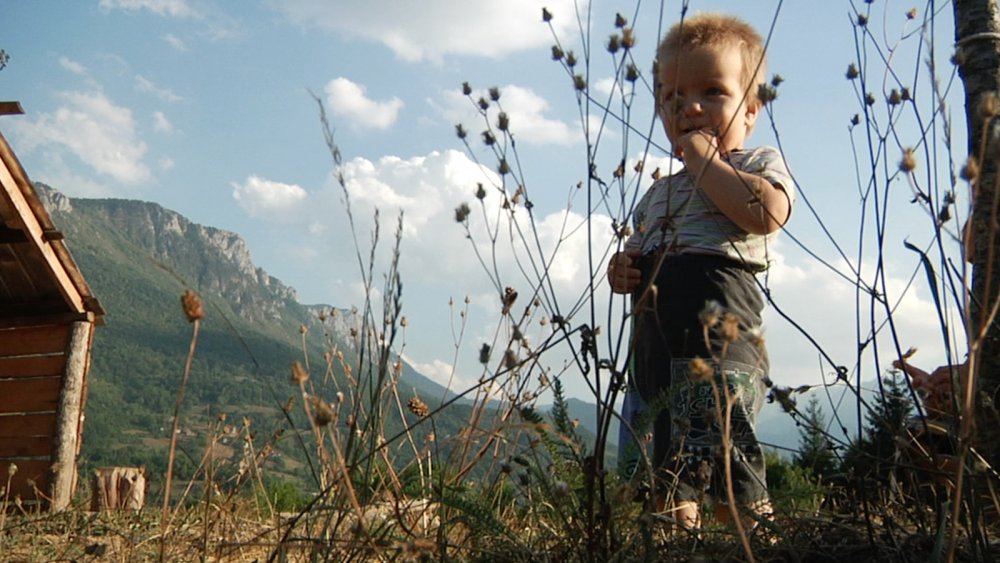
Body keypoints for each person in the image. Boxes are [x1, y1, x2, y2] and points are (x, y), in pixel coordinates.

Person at [607, 13, 795, 531]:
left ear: (751, 109)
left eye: (713, 92)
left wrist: (706, 158)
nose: (690, 107)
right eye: (672, 97)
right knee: (663, 482)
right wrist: (622, 270)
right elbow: (636, 257)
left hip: (717, 351)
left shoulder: (756, 164)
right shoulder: (656, 194)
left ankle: (756, 545)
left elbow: (766, 214)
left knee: (729, 474)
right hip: (653, 353)